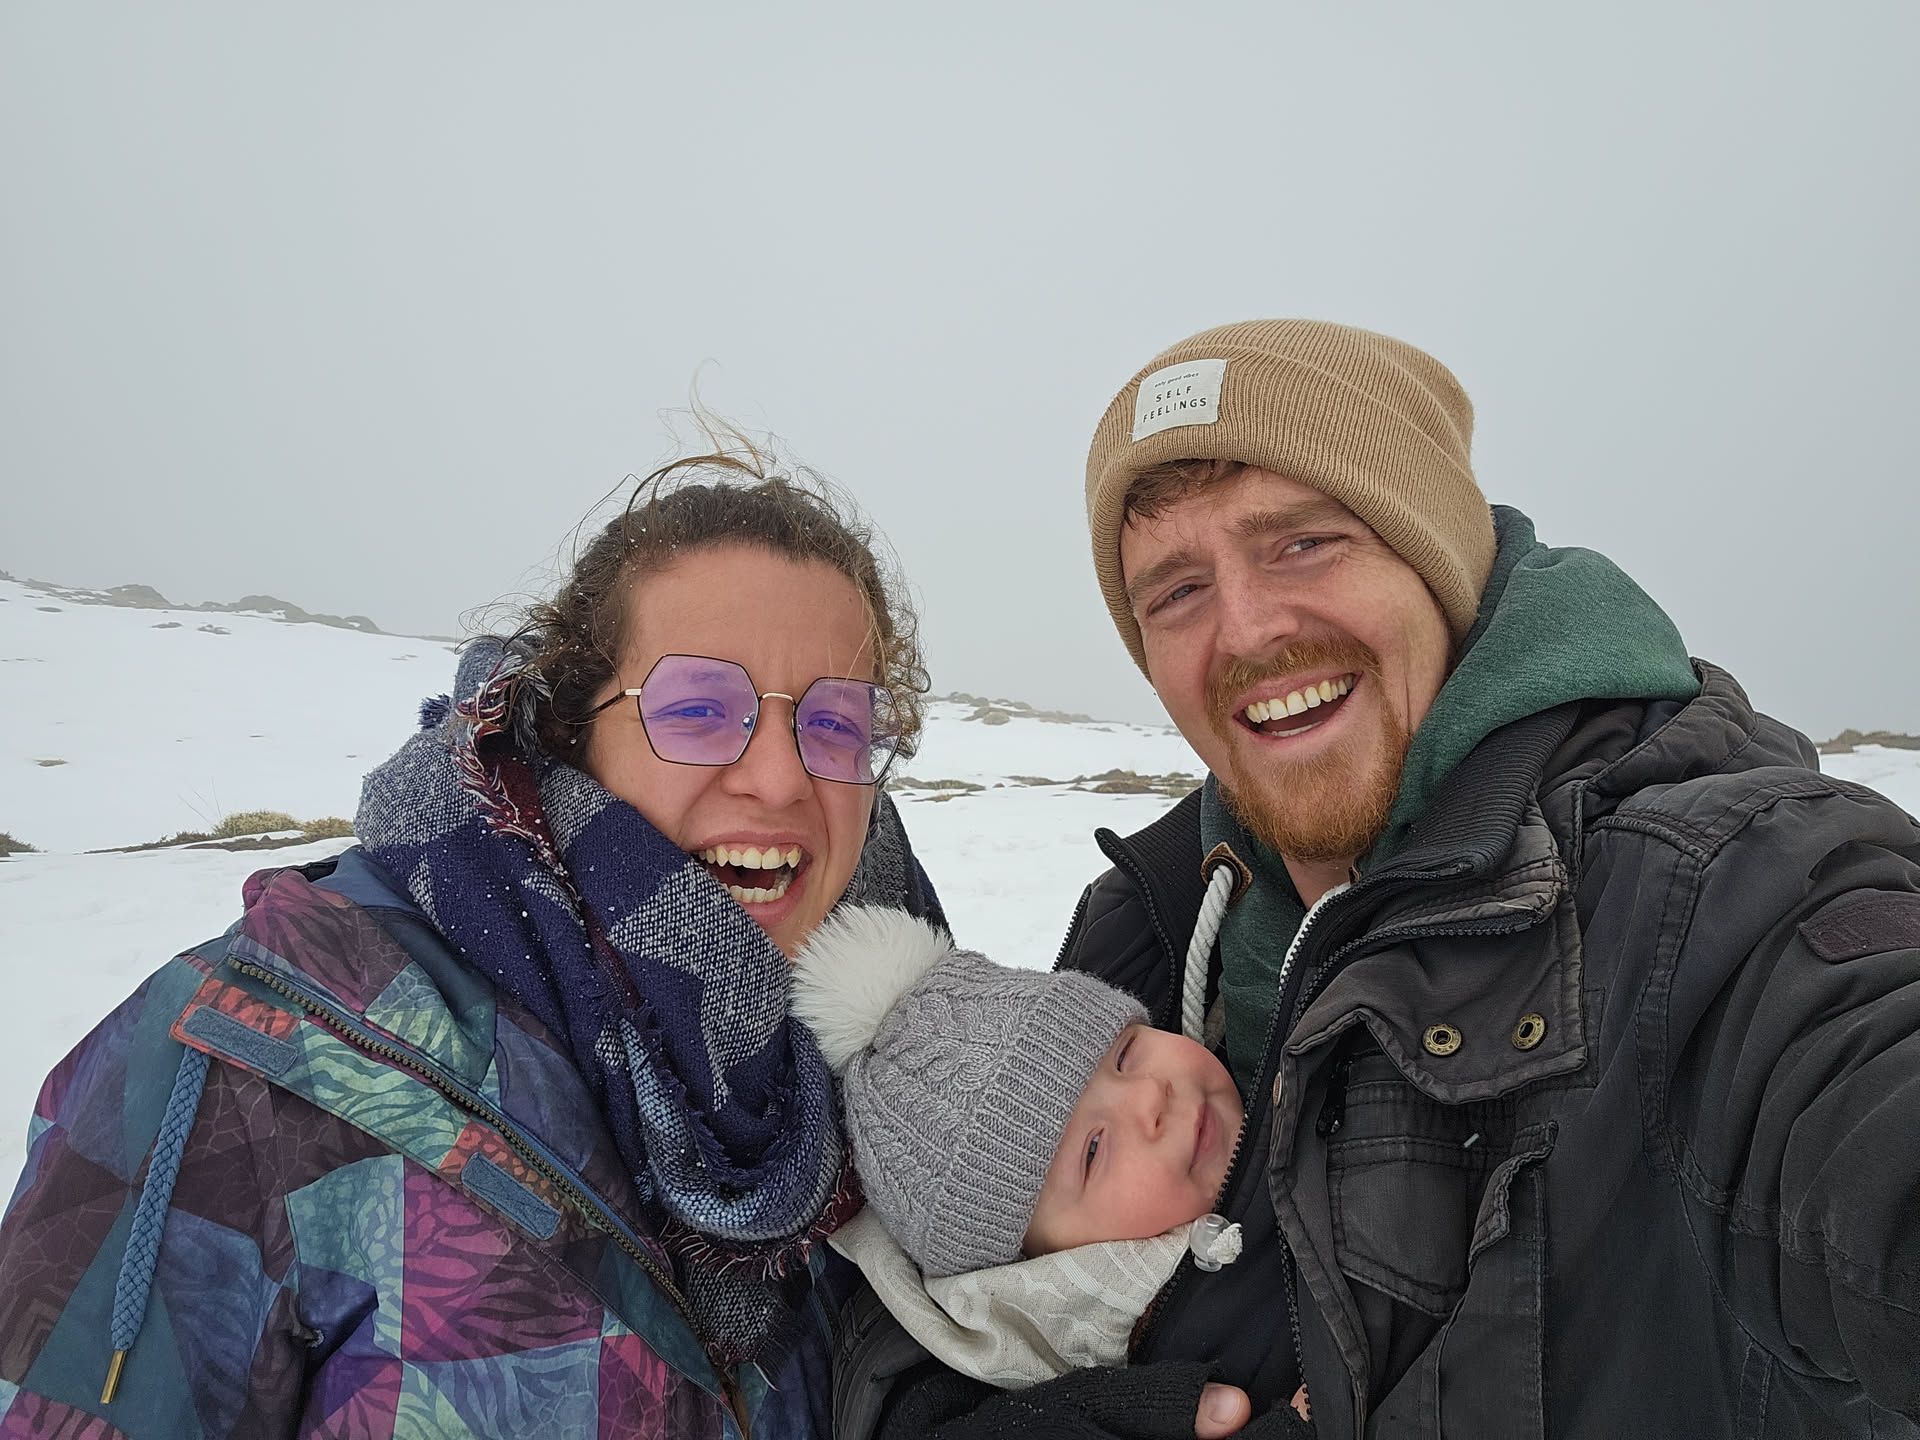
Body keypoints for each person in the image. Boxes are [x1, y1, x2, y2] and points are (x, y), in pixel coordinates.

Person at [854, 320, 1920, 1439]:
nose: (1247, 630)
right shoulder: (1153, 923)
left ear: (1437, 558)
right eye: (1177, 591)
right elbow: (953, 1282)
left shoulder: (1708, 890)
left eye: (1304, 543)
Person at [0, 441, 946, 1438]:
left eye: (836, 723)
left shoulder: (895, 1066)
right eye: (701, 709)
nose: (783, 779)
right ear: (568, 729)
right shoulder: (246, 1062)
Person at [787, 905, 1270, 1388]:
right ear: (1045, 1268)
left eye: (1125, 1054)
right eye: (1093, 1151)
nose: (1150, 1096)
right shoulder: (1152, 1369)